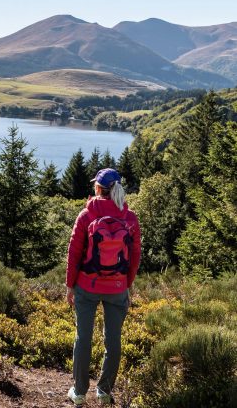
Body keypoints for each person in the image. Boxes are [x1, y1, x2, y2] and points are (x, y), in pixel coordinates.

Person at [66, 168, 141, 406]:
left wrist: (70, 285)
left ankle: (78, 393)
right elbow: (135, 256)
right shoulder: (130, 218)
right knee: (113, 341)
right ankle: (104, 392)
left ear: (98, 188)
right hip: (117, 288)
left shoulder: (86, 215)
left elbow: (74, 253)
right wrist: (126, 285)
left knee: (83, 338)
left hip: (87, 287)